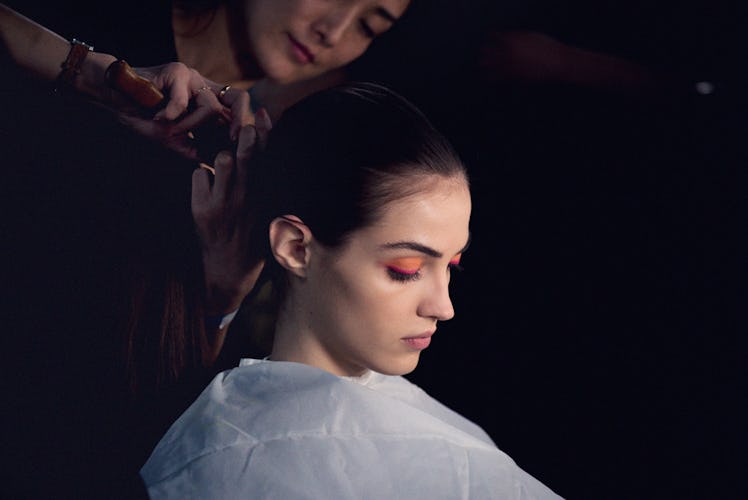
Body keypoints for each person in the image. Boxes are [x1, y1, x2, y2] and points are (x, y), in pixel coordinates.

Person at [1, 1, 411, 497]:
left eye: (368, 26)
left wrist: (222, 297)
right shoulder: (99, 30)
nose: (333, 31)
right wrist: (90, 74)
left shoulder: (259, 167)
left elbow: (160, 433)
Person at [139, 82, 562, 498]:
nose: (444, 307)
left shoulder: (456, 439)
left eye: (452, 265)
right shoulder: (230, 462)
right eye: (406, 269)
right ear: (295, 247)